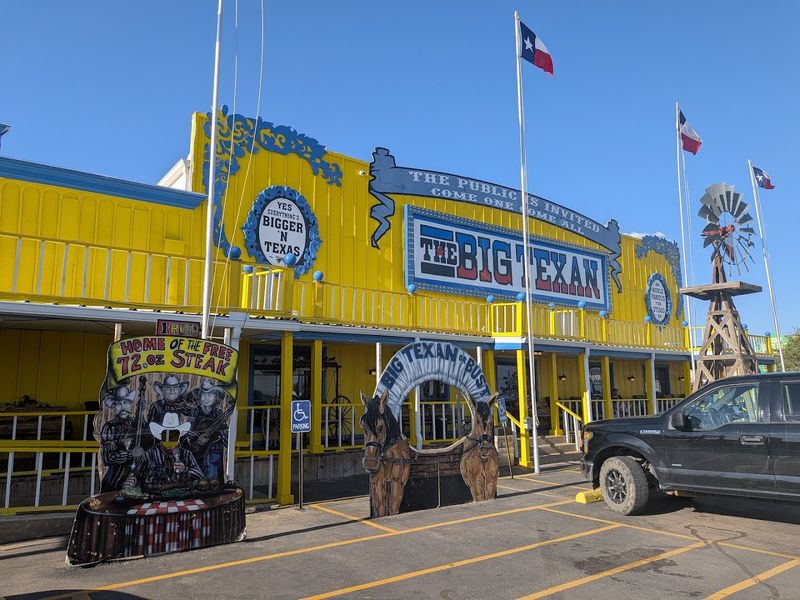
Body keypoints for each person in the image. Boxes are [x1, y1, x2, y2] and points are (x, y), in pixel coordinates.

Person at [124, 411, 204, 499]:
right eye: (167, 435)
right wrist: (131, 482)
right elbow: (135, 475)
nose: (169, 439)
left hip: (182, 497)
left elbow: (200, 475)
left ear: (178, 436)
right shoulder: (149, 455)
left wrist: (185, 469)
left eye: (173, 435)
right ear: (161, 436)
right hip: (154, 498)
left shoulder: (187, 454)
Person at [185, 378, 229, 486]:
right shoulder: (195, 411)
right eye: (204, 395)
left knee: (213, 465)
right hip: (198, 448)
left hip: (214, 448)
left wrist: (225, 435)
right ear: (199, 397)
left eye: (210, 395)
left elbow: (224, 430)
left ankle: (213, 482)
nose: (206, 398)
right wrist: (196, 438)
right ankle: (200, 482)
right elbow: (189, 428)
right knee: (199, 466)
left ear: (215, 397)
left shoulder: (218, 412)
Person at [99, 385, 137, 493]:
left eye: (126, 403)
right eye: (118, 404)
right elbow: (108, 458)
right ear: (114, 407)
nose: (123, 407)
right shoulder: (109, 427)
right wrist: (131, 454)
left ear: (130, 405)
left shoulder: (136, 423)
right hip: (117, 475)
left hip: (137, 473)